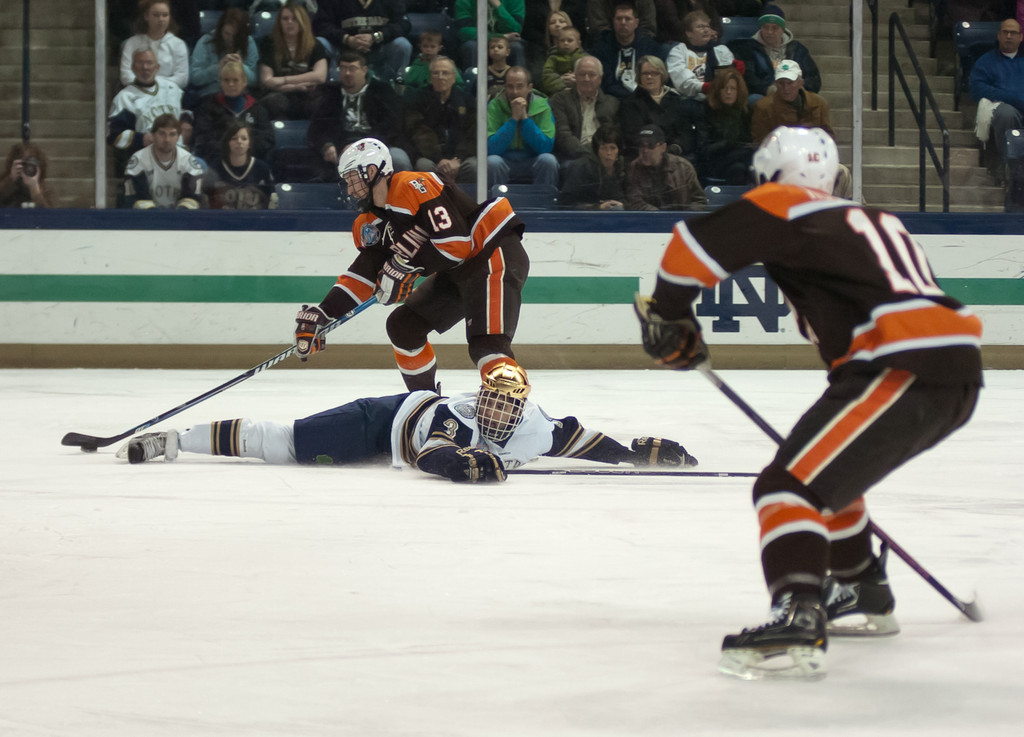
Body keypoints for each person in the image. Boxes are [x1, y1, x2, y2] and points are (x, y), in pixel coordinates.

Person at [634, 125, 983, 681]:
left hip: (900, 365)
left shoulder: (784, 204)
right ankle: (862, 586)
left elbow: (689, 248)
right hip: (953, 368)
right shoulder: (870, 221)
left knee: (785, 488)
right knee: (824, 482)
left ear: (771, 176)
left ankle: (798, 608)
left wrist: (670, 316)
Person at [117, 362, 699, 491]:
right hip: (381, 422)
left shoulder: (534, 424)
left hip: (401, 426)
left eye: (505, 403)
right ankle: (178, 440)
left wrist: (630, 453)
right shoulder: (457, 416)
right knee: (289, 442)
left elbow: (579, 440)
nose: (495, 410)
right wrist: (461, 467)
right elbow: (431, 454)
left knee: (289, 443)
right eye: (489, 399)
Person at [294, 138, 529, 393]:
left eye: (352, 179)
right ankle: (425, 404)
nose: (350, 189)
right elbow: (365, 272)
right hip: (458, 269)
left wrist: (406, 267)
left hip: (492, 252)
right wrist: (325, 314)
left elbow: (455, 244)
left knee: (487, 345)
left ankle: (513, 417)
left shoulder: (413, 185)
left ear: (372, 171)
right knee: (403, 327)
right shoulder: (370, 222)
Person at [750, 60, 852, 198]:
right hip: (781, 164)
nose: (786, 88)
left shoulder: (819, 104)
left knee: (843, 172)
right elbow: (760, 142)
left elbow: (829, 137)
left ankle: (847, 211)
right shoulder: (764, 107)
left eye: (790, 83)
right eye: (781, 83)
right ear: (775, 84)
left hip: (814, 160)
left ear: (800, 82)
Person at [307, 51, 412, 177]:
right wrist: (327, 145)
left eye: (352, 69)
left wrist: (363, 145)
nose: (347, 73)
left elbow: (392, 126)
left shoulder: (382, 91)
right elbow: (316, 128)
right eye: (343, 68)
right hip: (342, 144)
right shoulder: (331, 94)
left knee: (400, 160)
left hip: (379, 144)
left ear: (364, 70)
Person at [108, 47, 192, 173]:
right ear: (133, 68)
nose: (145, 67)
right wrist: (142, 138)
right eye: (140, 63)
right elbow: (114, 135)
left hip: (178, 154)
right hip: (147, 159)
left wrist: (186, 122)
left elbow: (186, 110)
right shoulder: (125, 98)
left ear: (157, 67)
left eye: (149, 63)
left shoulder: (171, 88)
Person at [473, 66, 559, 188]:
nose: (514, 92)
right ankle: (496, 205)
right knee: (492, 162)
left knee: (548, 160)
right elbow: (490, 148)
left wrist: (525, 119)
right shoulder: (494, 106)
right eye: (510, 86)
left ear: (529, 88)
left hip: (531, 159)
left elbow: (545, 147)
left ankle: (543, 204)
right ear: (505, 87)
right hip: (504, 160)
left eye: (519, 86)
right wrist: (513, 120)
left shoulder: (542, 106)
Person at [969, 18, 1024, 183]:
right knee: (1006, 113)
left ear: (1021, 37)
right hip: (1003, 110)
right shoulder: (985, 62)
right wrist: (1013, 97)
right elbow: (977, 89)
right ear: (998, 35)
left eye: (1013, 33)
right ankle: (1012, 170)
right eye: (1005, 32)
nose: (1009, 36)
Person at [727, 3, 821, 99]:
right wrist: (769, 89)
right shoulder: (749, 49)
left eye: (774, 28)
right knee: (755, 99)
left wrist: (797, 88)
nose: (769, 32)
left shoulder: (798, 49)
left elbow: (813, 79)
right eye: (765, 27)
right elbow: (748, 78)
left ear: (782, 29)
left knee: (816, 101)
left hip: (794, 94)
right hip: (764, 94)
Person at [405, 56, 476, 180]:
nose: (440, 77)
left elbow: (472, 134)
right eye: (436, 73)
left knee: (474, 166)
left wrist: (458, 159)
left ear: (454, 77)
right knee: (423, 165)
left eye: (445, 73)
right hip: (430, 157)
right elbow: (419, 133)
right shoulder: (418, 100)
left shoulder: (467, 100)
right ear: (430, 78)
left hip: (460, 158)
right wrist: (438, 159)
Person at [257, 1, 330, 121]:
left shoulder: (314, 44)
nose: (289, 22)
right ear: (279, 22)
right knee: (275, 103)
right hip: (279, 94)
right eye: (285, 19)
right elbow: (267, 81)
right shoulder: (269, 43)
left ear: (302, 22)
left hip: (306, 95)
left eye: (294, 19)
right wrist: (297, 86)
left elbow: (320, 76)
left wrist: (284, 79)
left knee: (320, 104)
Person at [192, 61, 275, 165]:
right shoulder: (208, 107)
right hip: (217, 164)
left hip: (251, 164)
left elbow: (267, 140)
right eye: (226, 80)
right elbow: (203, 140)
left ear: (244, 82)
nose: (231, 84)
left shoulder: (257, 108)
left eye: (235, 80)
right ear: (220, 82)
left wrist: (243, 150)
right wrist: (231, 149)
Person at [618, 55, 699, 162]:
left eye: (654, 73)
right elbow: (632, 137)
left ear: (662, 75)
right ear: (639, 76)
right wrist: (658, 150)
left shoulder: (676, 100)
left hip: (676, 154)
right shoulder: (629, 104)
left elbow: (686, 133)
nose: (650, 77)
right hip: (644, 156)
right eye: (645, 73)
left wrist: (675, 148)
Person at [312, 0, 413, 82]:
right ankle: (328, 86)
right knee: (320, 43)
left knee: (402, 45)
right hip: (343, 50)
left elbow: (404, 24)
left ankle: (391, 85)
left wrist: (376, 37)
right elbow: (321, 24)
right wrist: (347, 39)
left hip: (379, 49)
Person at [121, 113, 203, 209]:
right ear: (153, 135)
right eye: (162, 133)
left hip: (179, 218)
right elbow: (135, 199)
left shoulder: (187, 160)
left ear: (178, 137)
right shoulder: (139, 159)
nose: (167, 139)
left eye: (172, 134)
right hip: (147, 219)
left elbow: (192, 199)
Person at [549, 55, 620, 163]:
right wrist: (591, 155)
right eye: (582, 74)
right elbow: (562, 136)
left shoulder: (612, 103)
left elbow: (614, 137)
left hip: (605, 157)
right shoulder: (560, 100)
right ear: (575, 76)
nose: (586, 79)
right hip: (573, 157)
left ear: (600, 79)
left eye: (592, 75)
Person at [591, 2, 666, 99]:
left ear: (636, 23)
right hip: (613, 98)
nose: (623, 22)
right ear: (613, 22)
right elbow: (606, 83)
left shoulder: (650, 47)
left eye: (628, 19)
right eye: (619, 19)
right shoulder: (602, 48)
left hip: (646, 97)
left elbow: (657, 78)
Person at [625, 124, 706, 210]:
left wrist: (685, 216)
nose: (645, 151)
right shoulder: (634, 168)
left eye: (651, 146)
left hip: (680, 219)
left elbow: (700, 201)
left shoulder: (683, 167)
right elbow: (635, 202)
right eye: (641, 146)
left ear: (663, 147)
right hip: (649, 220)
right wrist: (659, 217)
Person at [696, 66, 754, 185]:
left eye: (733, 88)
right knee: (741, 166)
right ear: (717, 90)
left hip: (738, 160)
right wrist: (729, 144)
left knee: (745, 164)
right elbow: (704, 150)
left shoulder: (745, 111)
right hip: (714, 162)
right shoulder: (705, 110)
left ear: (739, 92)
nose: (728, 92)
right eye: (724, 88)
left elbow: (748, 141)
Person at [187, 6, 259, 100]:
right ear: (220, 30)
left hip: (241, 95)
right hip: (211, 94)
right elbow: (194, 77)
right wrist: (217, 68)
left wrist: (241, 68)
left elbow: (255, 80)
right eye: (227, 34)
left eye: (235, 36)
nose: (231, 39)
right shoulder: (206, 41)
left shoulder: (249, 42)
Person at [665, 9, 738, 101]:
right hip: (689, 100)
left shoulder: (721, 50)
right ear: (689, 33)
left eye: (707, 26)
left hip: (718, 99)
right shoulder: (678, 51)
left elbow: (727, 77)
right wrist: (704, 87)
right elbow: (682, 82)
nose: (706, 30)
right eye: (700, 27)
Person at [119, 0, 190, 89]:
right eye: (156, 15)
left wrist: (154, 84)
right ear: (146, 16)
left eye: (165, 15)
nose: (161, 19)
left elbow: (182, 79)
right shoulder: (132, 43)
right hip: (136, 93)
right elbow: (126, 76)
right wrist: (145, 86)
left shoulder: (178, 44)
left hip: (168, 94)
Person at [205, 121, 275, 210]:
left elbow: (272, 200)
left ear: (249, 143)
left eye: (244, 138)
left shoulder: (262, 168)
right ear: (228, 142)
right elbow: (206, 200)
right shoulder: (215, 167)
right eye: (234, 138)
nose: (239, 142)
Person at [558, 123, 627, 210]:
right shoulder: (580, 168)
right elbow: (566, 204)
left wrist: (623, 204)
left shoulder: (623, 168)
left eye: (612, 148)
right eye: (604, 148)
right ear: (596, 151)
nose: (608, 153)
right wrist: (598, 208)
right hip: (584, 219)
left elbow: (630, 199)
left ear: (619, 150)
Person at [454, 0, 526, 70]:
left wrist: (498, 6)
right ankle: (473, 79)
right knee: (471, 46)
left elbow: (516, 29)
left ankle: (517, 79)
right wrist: (500, 36)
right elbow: (464, 31)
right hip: (478, 40)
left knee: (516, 47)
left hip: (507, 41)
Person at [0, 141, 56, 208]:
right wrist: (10, 180)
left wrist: (35, 190)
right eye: (23, 164)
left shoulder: (46, 191)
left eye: (31, 165)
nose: (27, 169)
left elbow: (51, 215)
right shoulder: (4, 183)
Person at [540, 26, 586, 97]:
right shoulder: (553, 58)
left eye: (570, 40)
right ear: (557, 43)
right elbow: (547, 76)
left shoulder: (584, 58)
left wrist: (575, 79)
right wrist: (562, 81)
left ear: (578, 44)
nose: (566, 43)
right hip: (558, 93)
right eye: (562, 40)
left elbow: (590, 76)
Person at [588, 0, 658, 43]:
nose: (623, 22)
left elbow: (648, 28)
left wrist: (632, 43)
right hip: (606, 44)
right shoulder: (597, 2)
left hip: (640, 43)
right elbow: (599, 28)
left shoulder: (645, 2)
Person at [486, 35, 513, 100]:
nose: (495, 49)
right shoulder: (484, 72)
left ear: (507, 52)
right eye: (492, 47)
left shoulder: (512, 72)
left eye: (500, 47)